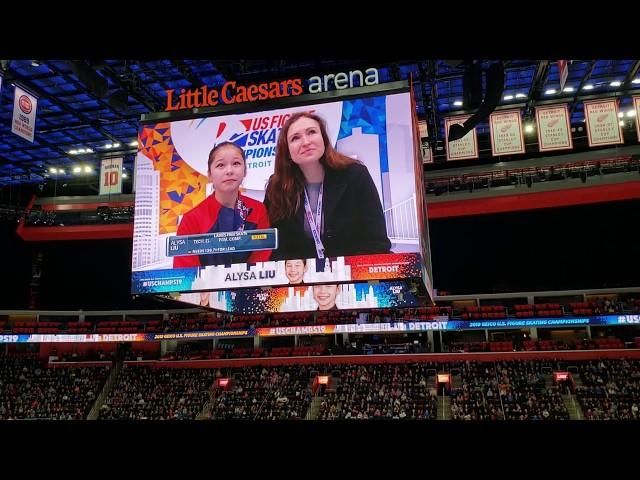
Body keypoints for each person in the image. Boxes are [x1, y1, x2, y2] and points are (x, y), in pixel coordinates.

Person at [264, 111, 391, 261]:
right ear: (287, 151)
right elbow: (272, 248)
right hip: (300, 278)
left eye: (311, 132)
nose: (306, 142)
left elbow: (377, 242)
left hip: (353, 275)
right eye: (295, 138)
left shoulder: (355, 175)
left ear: (324, 139)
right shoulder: (277, 186)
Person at [173, 142, 271, 267]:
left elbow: (261, 262)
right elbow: (186, 274)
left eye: (236, 163)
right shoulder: (191, 220)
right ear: (209, 175)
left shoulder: (258, 210)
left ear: (245, 171)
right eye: (220, 165)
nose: (229, 171)